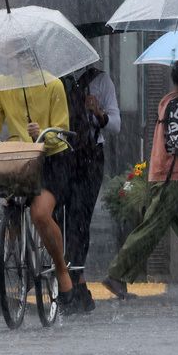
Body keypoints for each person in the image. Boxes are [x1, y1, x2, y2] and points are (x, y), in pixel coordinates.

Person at [0, 42, 79, 315]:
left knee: (41, 213)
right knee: (9, 203)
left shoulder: (53, 85)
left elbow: (62, 130)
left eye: (8, 54)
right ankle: (15, 246)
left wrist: (42, 131)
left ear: (25, 56)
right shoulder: (1, 84)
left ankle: (62, 270)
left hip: (52, 158)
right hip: (19, 158)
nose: (3, 59)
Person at [102, 60, 178, 299]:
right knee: (154, 228)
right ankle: (116, 274)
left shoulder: (170, 100)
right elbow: (176, 141)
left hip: (171, 175)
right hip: (171, 176)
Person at [63, 60, 121, 311]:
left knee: (80, 218)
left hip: (90, 159)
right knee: (59, 218)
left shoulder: (101, 80)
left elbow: (116, 125)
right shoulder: (56, 81)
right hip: (60, 155)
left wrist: (98, 112)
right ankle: (75, 282)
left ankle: (74, 281)